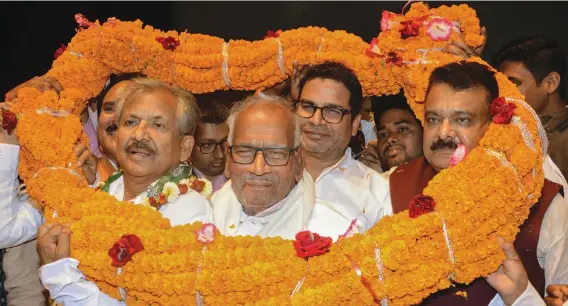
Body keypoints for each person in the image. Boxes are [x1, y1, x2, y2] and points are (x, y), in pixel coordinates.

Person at [387, 61, 568, 305]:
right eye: (433, 119)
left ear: (492, 127)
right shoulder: (389, 186)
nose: (443, 133)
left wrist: (521, 296)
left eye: (462, 120)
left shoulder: (543, 202)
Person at [37, 78, 213, 305]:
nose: (139, 135)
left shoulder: (188, 210)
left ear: (185, 147)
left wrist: (63, 279)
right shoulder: (104, 191)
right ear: (116, 135)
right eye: (131, 122)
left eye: (157, 125)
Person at [293, 61, 390, 238]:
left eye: (332, 111)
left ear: (354, 124)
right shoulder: (260, 177)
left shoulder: (378, 192)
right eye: (307, 107)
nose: (316, 120)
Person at [494, 36, 568, 181]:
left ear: (550, 83)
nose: (502, 93)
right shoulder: (504, 126)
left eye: (513, 82)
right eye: (499, 84)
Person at [360, 91, 424, 177]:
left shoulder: (445, 182)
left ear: (424, 134)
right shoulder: (371, 181)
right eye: (383, 135)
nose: (390, 139)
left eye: (402, 129)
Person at [190, 100, 229, 192]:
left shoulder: (242, 179)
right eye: (207, 145)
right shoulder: (172, 185)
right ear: (187, 146)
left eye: (224, 142)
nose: (220, 155)